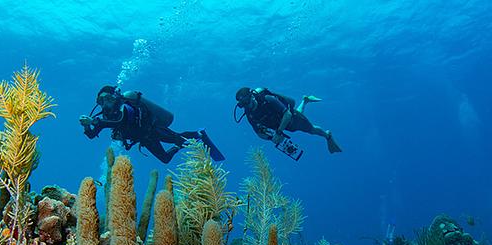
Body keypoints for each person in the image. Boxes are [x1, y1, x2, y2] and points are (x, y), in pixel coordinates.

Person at [79, 86, 224, 163]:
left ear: (115, 97)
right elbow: (91, 135)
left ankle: (198, 135)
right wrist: (86, 125)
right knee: (165, 159)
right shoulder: (104, 117)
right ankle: (183, 143)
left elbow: (121, 121)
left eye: (108, 98)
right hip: (144, 139)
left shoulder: (125, 107)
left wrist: (94, 121)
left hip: (152, 129)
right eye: (101, 101)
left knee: (179, 138)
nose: (105, 103)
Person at [234, 87, 343, 153]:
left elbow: (288, 114)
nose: (247, 106)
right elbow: (258, 133)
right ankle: (305, 100)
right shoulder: (249, 114)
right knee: (297, 122)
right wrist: (272, 138)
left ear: (252, 96)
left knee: (311, 129)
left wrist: (279, 132)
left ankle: (328, 136)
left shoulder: (267, 99)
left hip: (290, 119)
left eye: (247, 102)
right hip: (280, 126)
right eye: (243, 104)